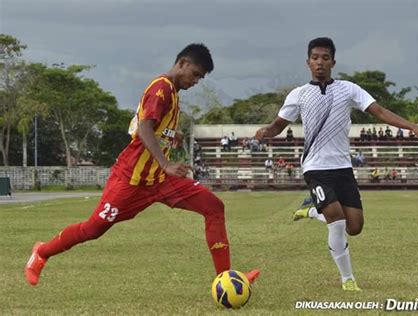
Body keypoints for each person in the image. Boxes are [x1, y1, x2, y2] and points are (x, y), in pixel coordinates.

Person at [24, 43, 259, 286]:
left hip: (160, 180)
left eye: (200, 77)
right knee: (93, 229)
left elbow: (141, 125)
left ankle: (226, 280)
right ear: (182, 64)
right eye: (195, 74)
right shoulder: (161, 88)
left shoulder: (172, 93)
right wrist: (166, 163)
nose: (196, 81)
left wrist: (170, 136)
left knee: (214, 208)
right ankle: (41, 253)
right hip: (131, 179)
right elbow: (145, 127)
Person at [255, 37, 418, 291]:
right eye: (315, 58)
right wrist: (265, 132)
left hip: (342, 168)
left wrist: (413, 127)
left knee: (355, 226)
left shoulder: (349, 89)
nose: (320, 63)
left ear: (333, 62)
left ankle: (312, 211)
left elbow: (380, 111)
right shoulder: (299, 94)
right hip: (316, 168)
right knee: (337, 220)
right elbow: (278, 125)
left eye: (325, 58)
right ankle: (347, 279)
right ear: (308, 62)